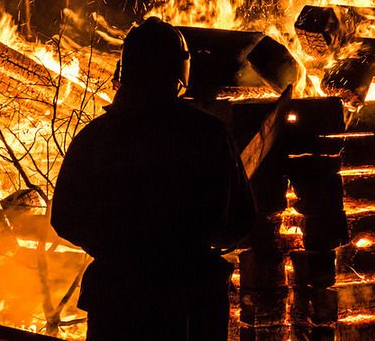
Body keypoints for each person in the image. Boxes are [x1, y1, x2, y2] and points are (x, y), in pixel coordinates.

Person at [51, 17, 255, 340]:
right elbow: (242, 219)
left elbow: (64, 218)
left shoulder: (94, 139)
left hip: (116, 302)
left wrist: (114, 248)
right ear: (179, 72)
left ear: (124, 72)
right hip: (190, 301)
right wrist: (195, 243)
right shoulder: (207, 135)